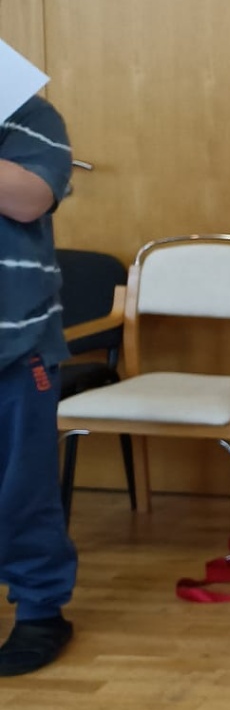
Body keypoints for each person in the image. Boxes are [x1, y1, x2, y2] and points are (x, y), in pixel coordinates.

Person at [0, 92, 80, 677]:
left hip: (16, 344)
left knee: (22, 487)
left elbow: (30, 198)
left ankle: (39, 610)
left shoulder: (28, 112)